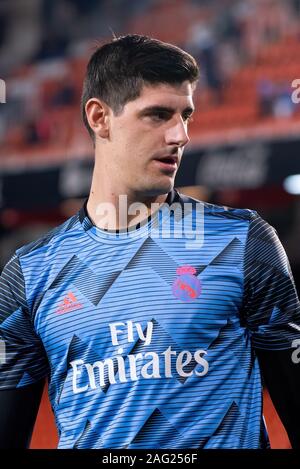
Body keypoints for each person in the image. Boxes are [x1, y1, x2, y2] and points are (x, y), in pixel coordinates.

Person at [0, 34, 299, 450]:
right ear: (99, 117)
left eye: (186, 116)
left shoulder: (242, 241)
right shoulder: (29, 273)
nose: (180, 136)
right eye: (157, 115)